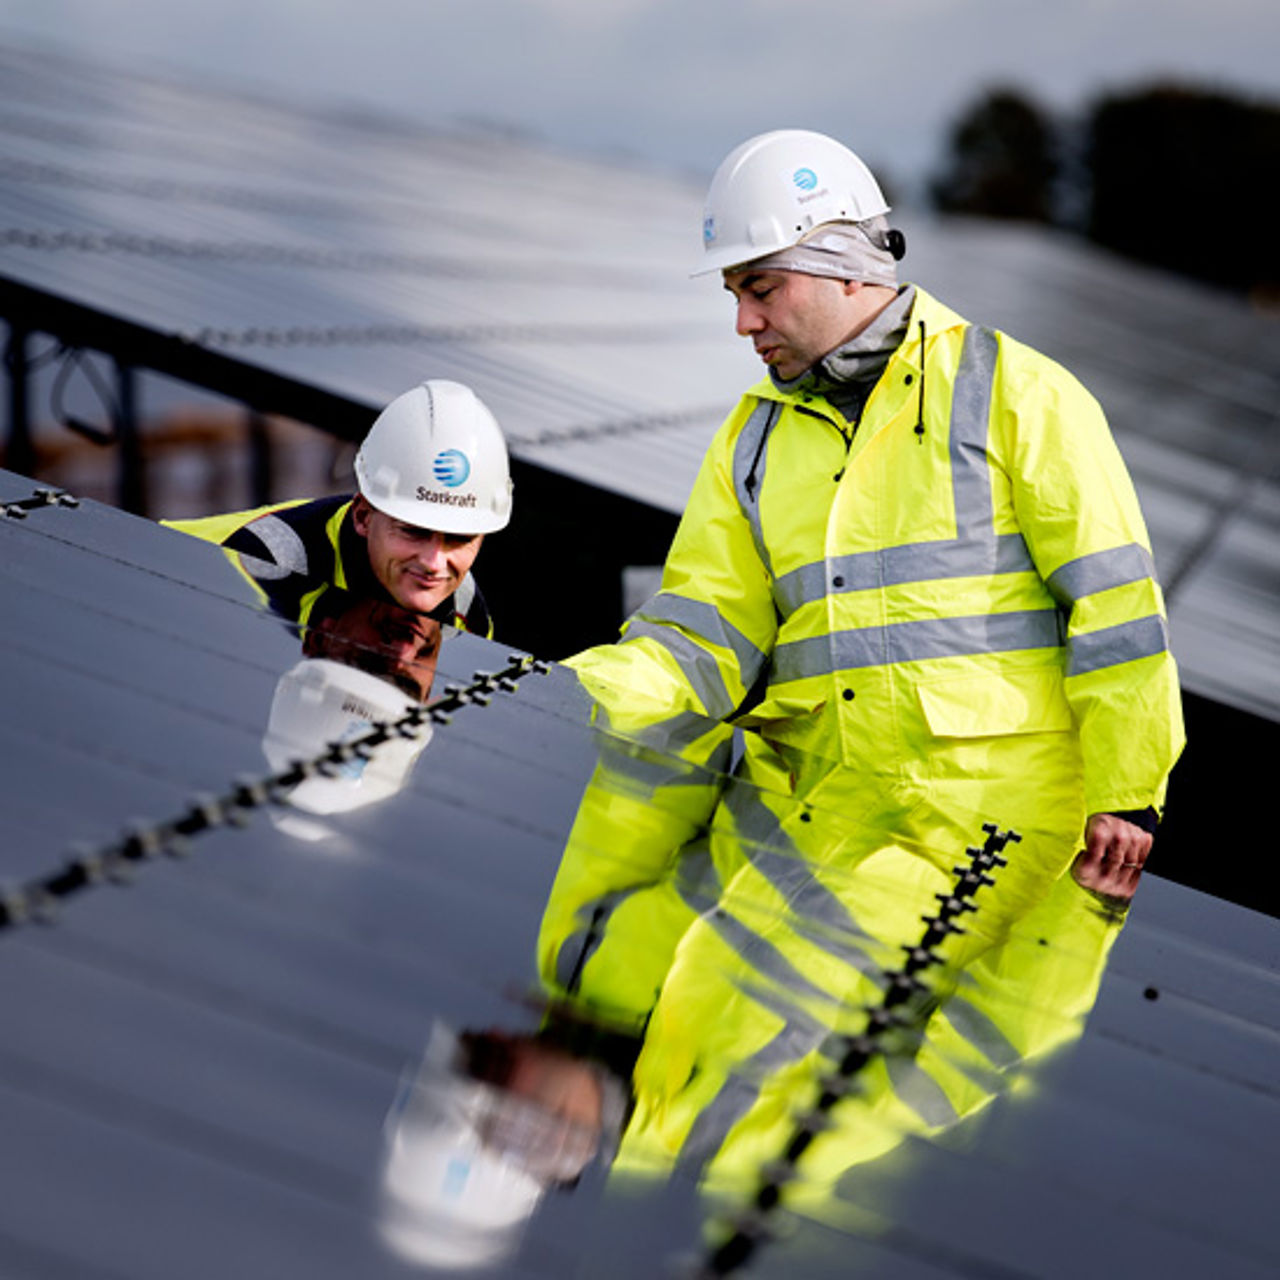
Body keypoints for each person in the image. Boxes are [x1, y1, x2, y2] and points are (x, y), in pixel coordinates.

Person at [535, 129, 1185, 1202]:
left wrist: (1129, 792)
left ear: (844, 262)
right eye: (734, 295)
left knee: (790, 1064)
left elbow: (1113, 609)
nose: (740, 322)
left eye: (759, 288)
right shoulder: (752, 439)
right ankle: (622, 1224)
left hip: (989, 821)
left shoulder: (1013, 393)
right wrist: (576, 690)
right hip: (834, 809)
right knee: (699, 995)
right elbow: (700, 628)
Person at [165, 379, 513, 637]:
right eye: (413, 531)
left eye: (459, 539)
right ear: (363, 515)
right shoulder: (266, 561)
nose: (434, 562)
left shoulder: (463, 610)